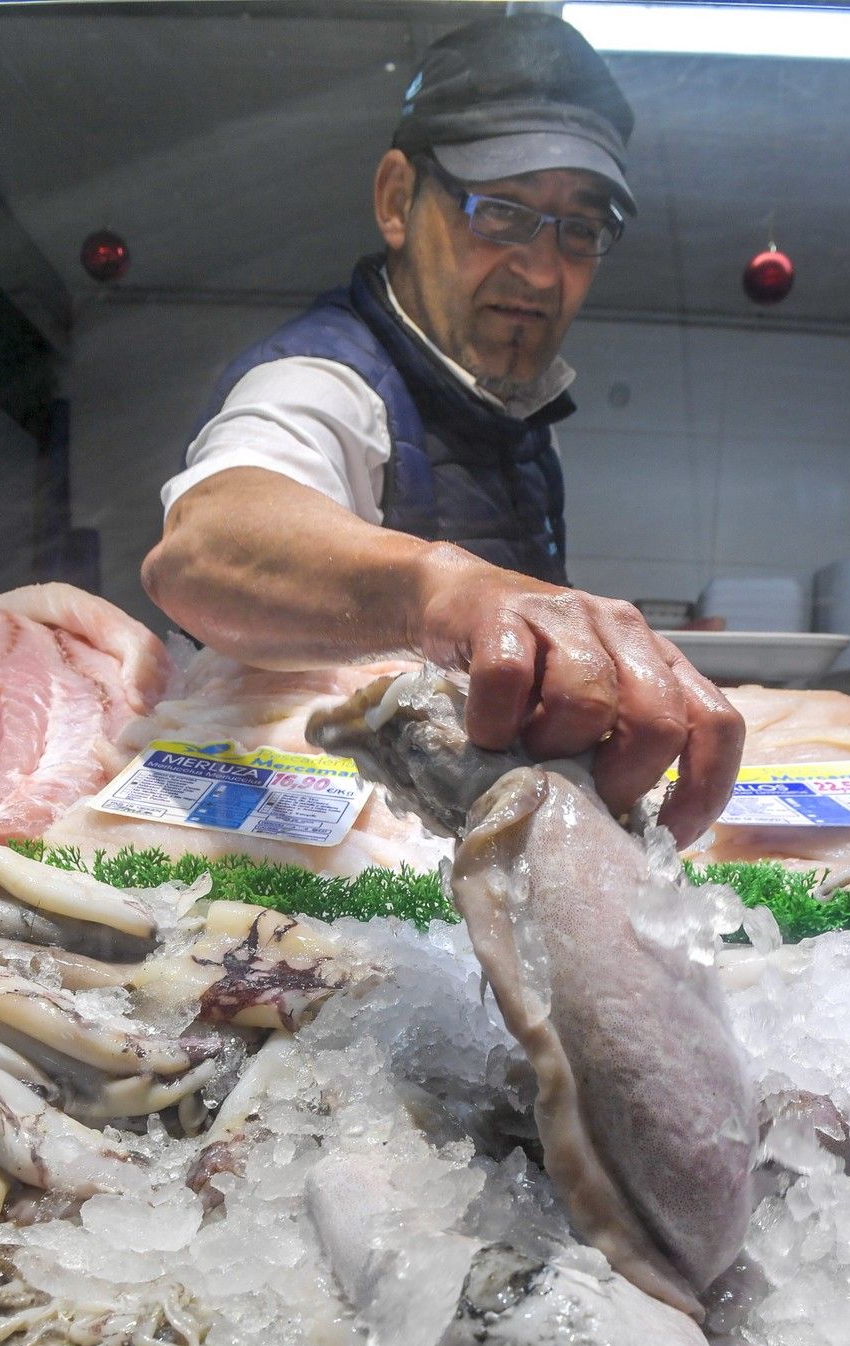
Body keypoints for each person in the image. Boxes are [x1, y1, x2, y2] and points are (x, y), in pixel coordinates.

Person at [142, 14, 743, 848]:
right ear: (397, 201)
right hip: (299, 864)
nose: (540, 269)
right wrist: (444, 592)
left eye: (580, 228)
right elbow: (203, 550)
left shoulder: (521, 415)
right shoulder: (323, 381)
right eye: (500, 212)